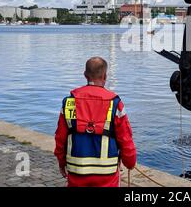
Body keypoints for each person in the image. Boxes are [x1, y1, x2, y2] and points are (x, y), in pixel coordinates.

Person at [54, 57, 136, 187]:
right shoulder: (115, 103)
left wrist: (61, 161)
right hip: (107, 174)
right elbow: (126, 138)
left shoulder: (69, 102)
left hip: (77, 171)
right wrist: (130, 162)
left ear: (85, 75)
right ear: (105, 76)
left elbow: (60, 137)